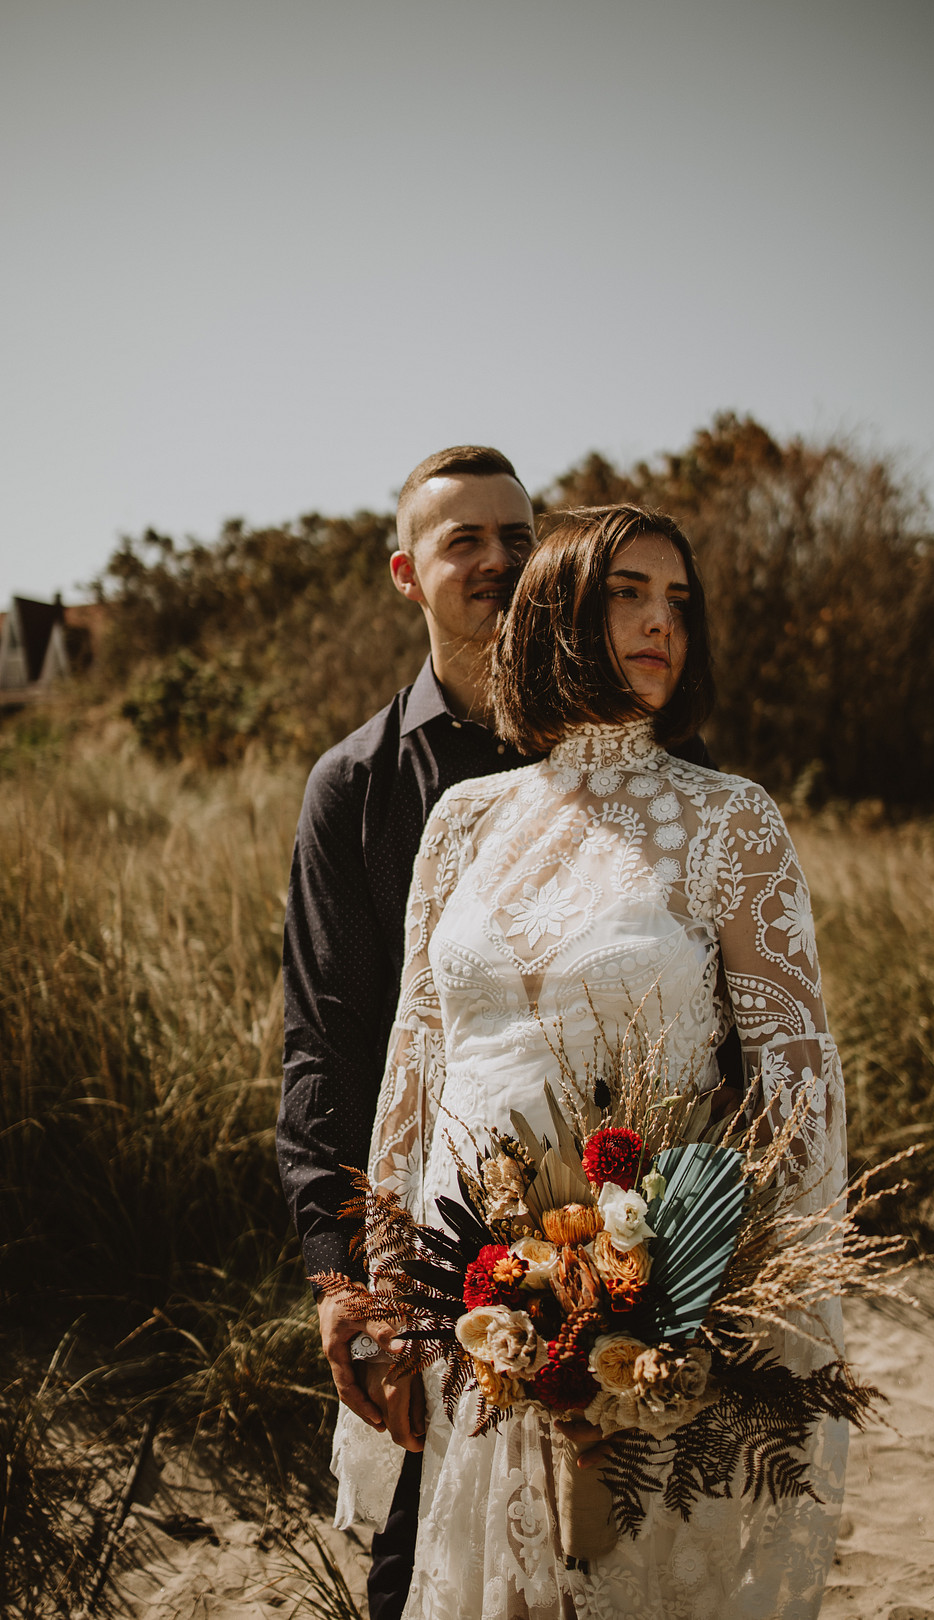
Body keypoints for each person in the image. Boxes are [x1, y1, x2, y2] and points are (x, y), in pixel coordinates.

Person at [357, 505, 848, 1619]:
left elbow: (797, 1089)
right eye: (628, 592)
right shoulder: (463, 823)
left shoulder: (731, 820)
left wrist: (734, 1300)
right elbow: (416, 1067)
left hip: (654, 1306)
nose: (659, 622)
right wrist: (392, 1286)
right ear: (558, 612)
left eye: (679, 601)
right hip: (471, 1298)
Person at [277, 444, 538, 1619]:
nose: (498, 562)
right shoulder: (356, 785)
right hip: (429, 1248)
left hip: (607, 1242)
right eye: (464, 541)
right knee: (423, 1573)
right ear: (407, 573)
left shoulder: (609, 763)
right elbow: (326, 1041)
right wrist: (340, 1277)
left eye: (519, 538)